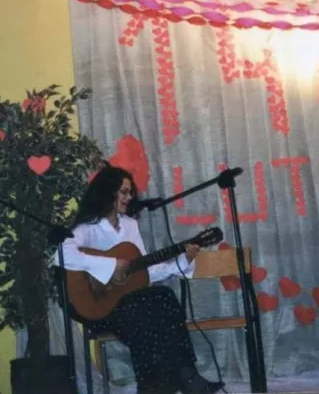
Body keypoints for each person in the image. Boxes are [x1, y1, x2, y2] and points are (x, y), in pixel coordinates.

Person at [61, 165, 224, 394]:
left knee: (159, 301)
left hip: (130, 306)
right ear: (108, 192)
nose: (130, 197)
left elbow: (145, 271)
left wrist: (182, 261)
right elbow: (61, 255)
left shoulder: (129, 225)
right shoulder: (88, 227)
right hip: (95, 306)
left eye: (130, 193)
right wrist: (110, 265)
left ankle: (171, 381)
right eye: (124, 192)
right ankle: (183, 380)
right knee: (148, 314)